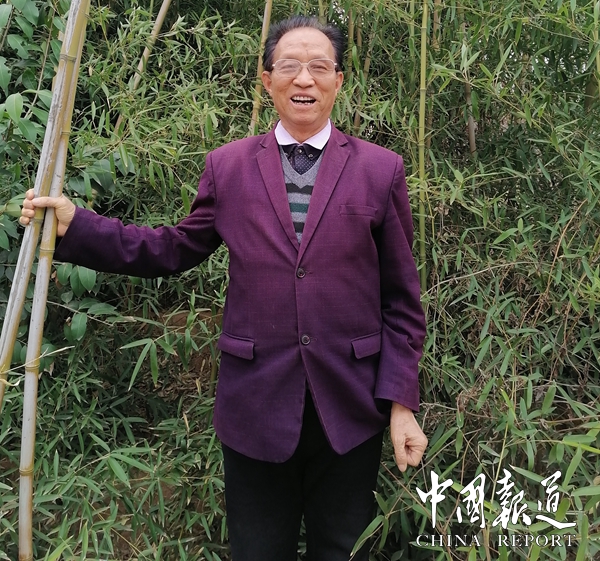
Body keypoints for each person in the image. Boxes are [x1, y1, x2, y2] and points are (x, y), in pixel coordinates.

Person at [20, 15, 427, 561]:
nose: (304, 78)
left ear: (338, 80)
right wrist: (78, 227)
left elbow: (401, 301)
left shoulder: (379, 169)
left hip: (349, 409)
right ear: (266, 79)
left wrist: (400, 403)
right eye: (289, 65)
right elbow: (171, 249)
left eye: (319, 66)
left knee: (344, 550)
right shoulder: (229, 166)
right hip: (255, 405)